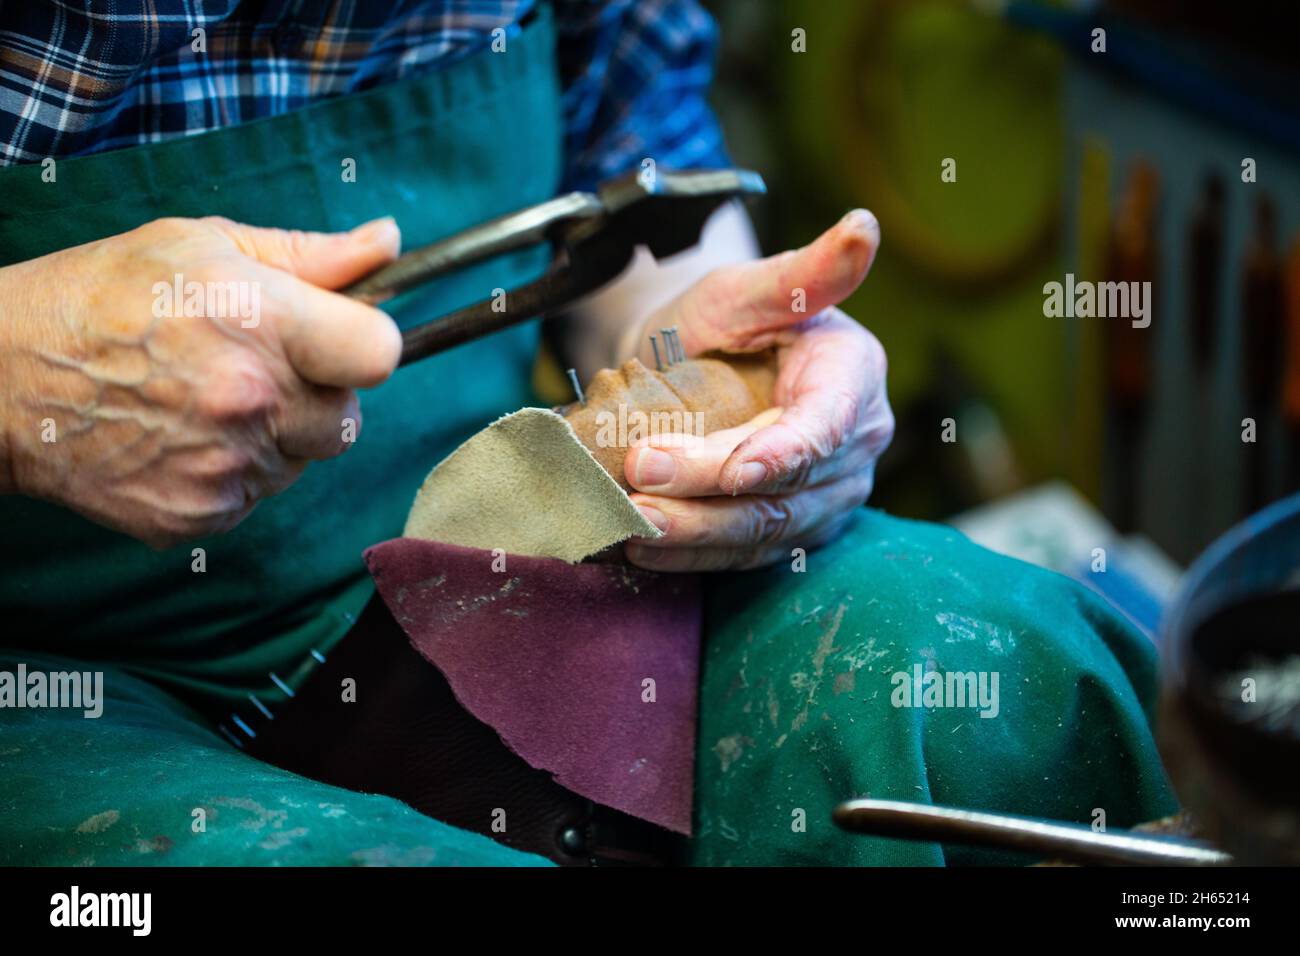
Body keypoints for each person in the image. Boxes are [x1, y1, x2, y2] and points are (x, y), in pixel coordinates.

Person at [0, 0, 1174, 866]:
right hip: (48, 662)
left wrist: (719, 358)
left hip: (481, 548)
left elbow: (638, 159)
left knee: (989, 675)